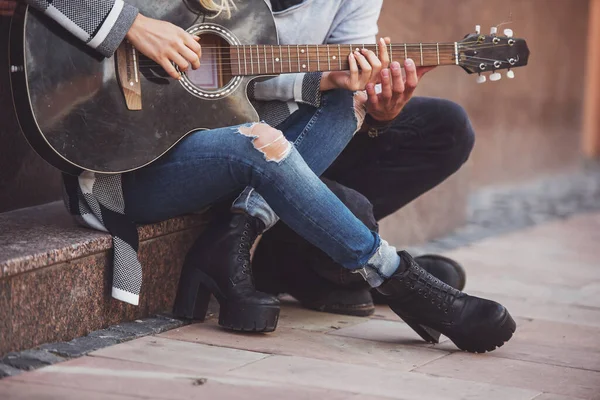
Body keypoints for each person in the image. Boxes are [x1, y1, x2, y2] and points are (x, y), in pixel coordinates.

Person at [18, 0, 515, 353]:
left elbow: (235, 71)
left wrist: (338, 85)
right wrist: (133, 23)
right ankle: (402, 282)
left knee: (342, 102)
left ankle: (239, 233)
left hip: (225, 133)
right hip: (124, 161)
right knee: (265, 145)